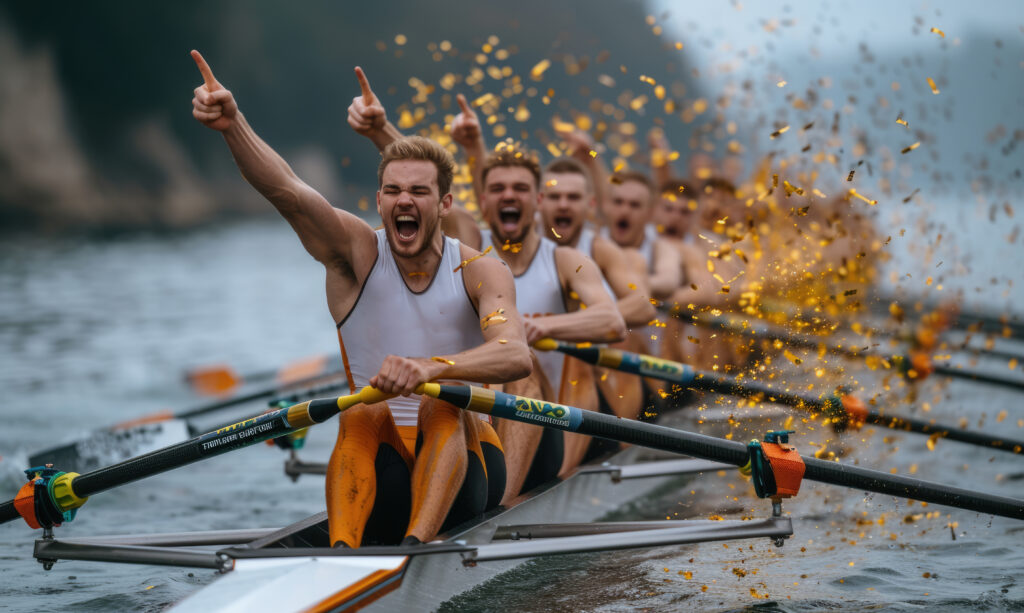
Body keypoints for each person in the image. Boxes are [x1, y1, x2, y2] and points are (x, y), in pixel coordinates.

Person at [191, 52, 532, 548]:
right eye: (392, 190)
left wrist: (432, 369)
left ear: (445, 205)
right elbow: (288, 190)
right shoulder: (357, 254)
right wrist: (232, 125)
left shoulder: (480, 269)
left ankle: (413, 551)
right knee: (362, 411)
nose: (404, 201)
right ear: (378, 202)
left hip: (468, 474)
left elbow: (515, 354)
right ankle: (343, 553)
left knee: (441, 406)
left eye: (419, 190)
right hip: (382, 465)